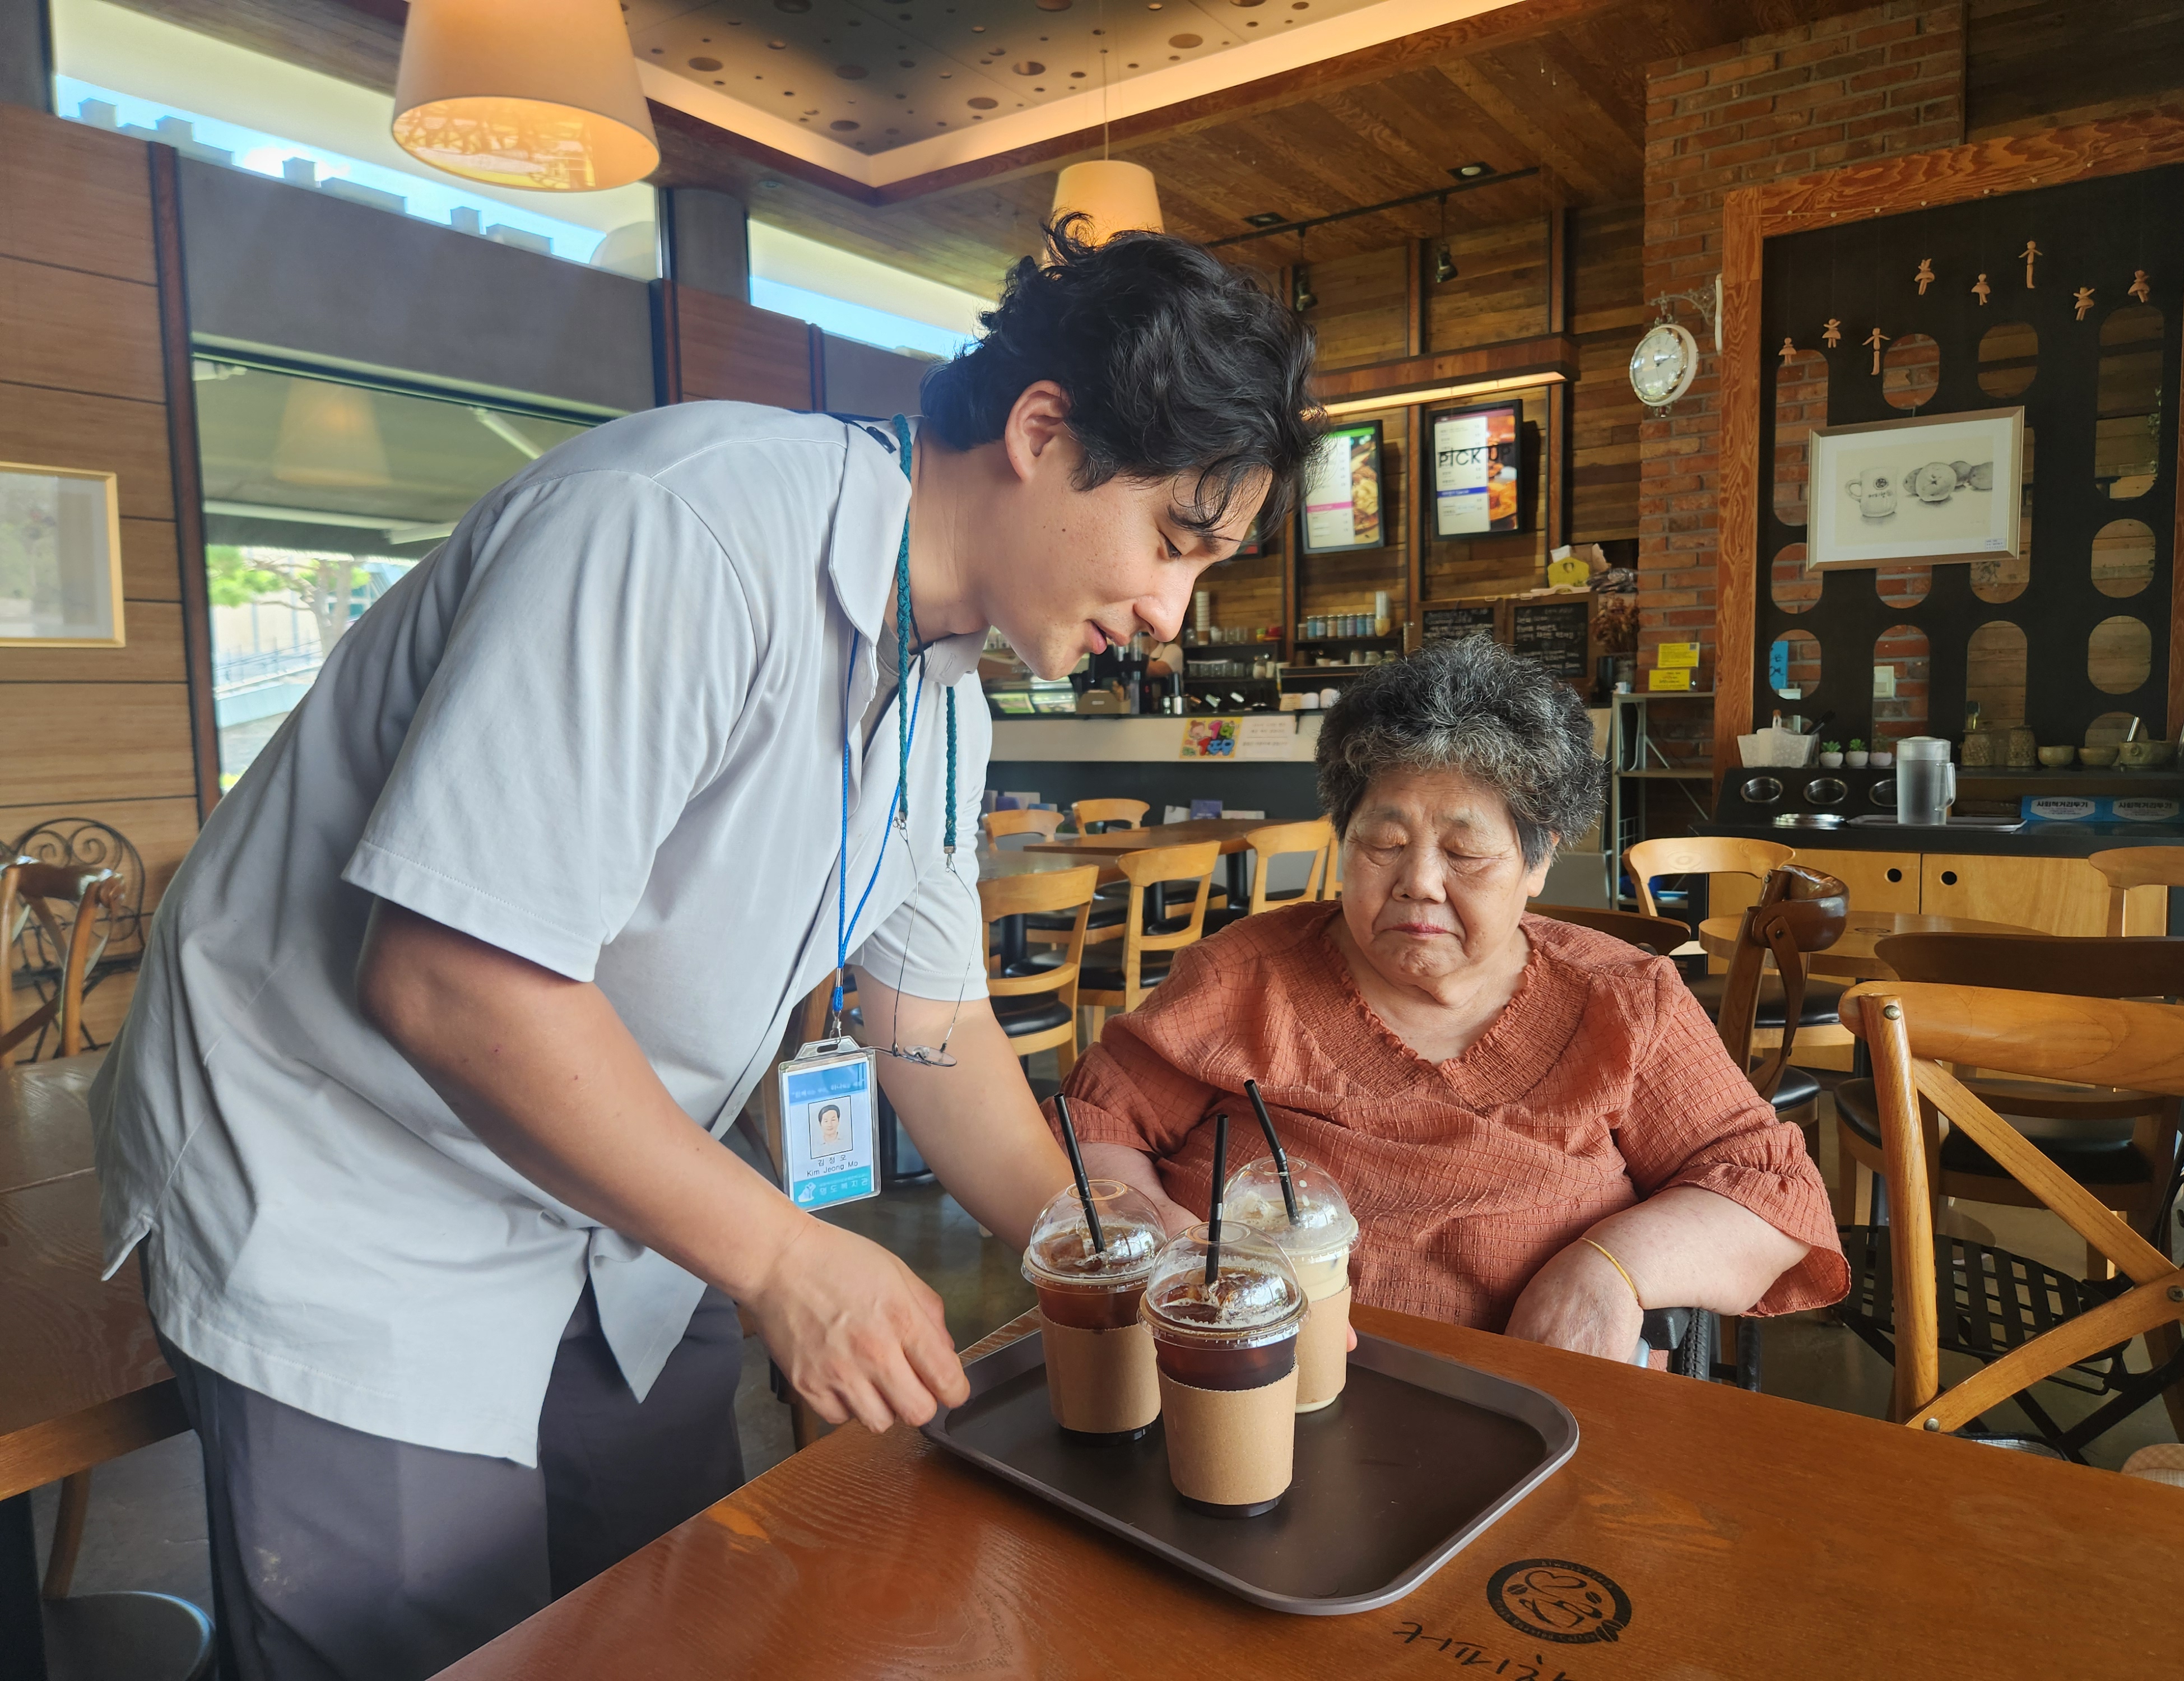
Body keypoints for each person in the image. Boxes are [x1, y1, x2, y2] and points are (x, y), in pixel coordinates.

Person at [90, 216, 1321, 1681]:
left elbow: (933, 1027)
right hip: (356, 1190)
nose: (1172, 614)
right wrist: (783, 1256)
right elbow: (449, 979)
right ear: (1043, 433)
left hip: (610, 1194)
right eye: (1175, 544)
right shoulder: (682, 531)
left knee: (666, 1625)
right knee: (424, 1648)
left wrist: (1110, 1243)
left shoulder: (946, 697)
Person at [1053, 639, 1846, 1358]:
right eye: (1383, 844)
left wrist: (1608, 1269)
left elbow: (1767, 1190)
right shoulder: (1243, 978)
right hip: (1244, 1394)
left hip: (1529, 1410)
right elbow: (1094, 1125)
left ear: (1538, 866)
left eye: (1465, 851)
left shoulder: (1624, 1002)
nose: (1419, 883)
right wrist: (1175, 1252)